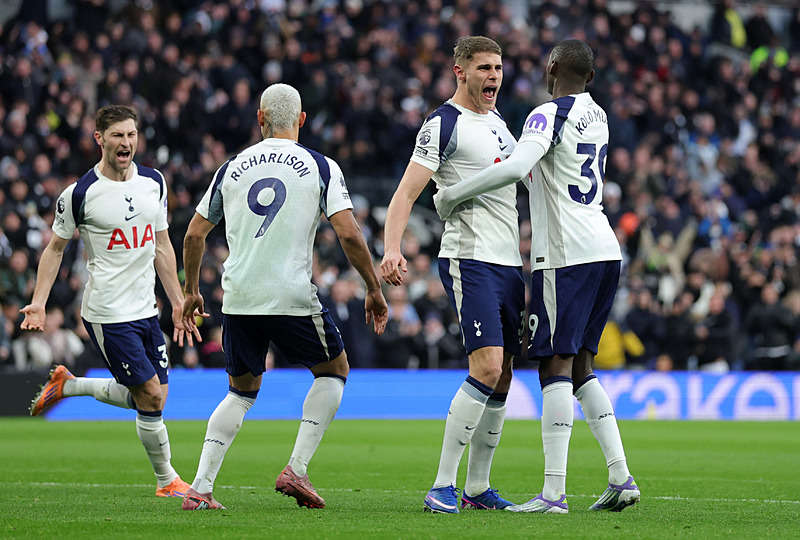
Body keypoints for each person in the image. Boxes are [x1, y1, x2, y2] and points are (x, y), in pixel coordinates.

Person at [435, 39, 640, 513]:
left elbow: (520, 167)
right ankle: (620, 475)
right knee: (583, 365)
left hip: (565, 255)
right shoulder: (599, 115)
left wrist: (451, 195)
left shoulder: (546, 115)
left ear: (550, 69)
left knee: (553, 365)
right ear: (589, 77)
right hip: (605, 249)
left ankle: (553, 494)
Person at [180, 83, 388, 511]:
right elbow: (348, 232)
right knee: (333, 370)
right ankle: (297, 467)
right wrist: (372, 286)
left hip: (238, 297)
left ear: (259, 118)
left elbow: (194, 233)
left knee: (240, 391)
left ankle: (200, 488)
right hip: (291, 295)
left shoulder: (231, 167)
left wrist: (190, 291)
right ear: (302, 120)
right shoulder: (320, 166)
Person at [21, 104, 199, 498]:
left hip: (146, 310)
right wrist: (38, 302)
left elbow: (162, 246)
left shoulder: (154, 182)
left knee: (154, 397)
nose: (127, 143)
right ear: (100, 139)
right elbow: (54, 250)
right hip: (107, 313)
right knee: (150, 396)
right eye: (118, 135)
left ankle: (69, 385)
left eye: (132, 135)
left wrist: (177, 302)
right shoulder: (80, 194)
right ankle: (167, 481)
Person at [380, 36, 525, 513]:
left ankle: (478, 489)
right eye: (484, 68)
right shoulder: (443, 124)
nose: (494, 76)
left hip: (509, 263)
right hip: (471, 257)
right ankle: (442, 486)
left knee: (502, 374)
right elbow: (404, 195)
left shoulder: (501, 124)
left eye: (499, 68)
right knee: (484, 366)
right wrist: (392, 249)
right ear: (459, 71)